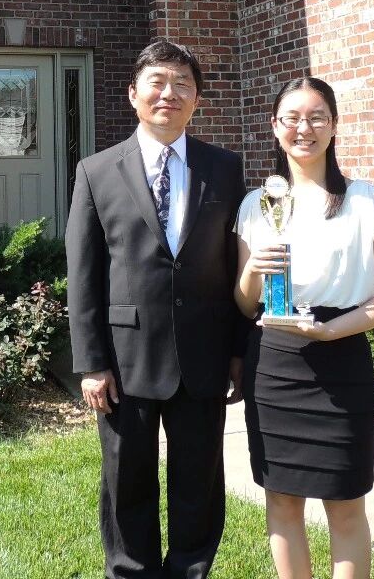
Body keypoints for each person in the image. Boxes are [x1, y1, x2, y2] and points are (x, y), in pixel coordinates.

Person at [67, 40, 248, 579]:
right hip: (125, 359)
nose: (170, 93)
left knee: (200, 482)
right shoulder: (97, 171)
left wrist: (238, 351)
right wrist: (91, 362)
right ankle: (130, 571)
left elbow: (236, 263)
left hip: (203, 356)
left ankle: (190, 571)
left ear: (197, 100)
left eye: (183, 84)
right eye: (158, 82)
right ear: (133, 94)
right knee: (126, 479)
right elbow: (83, 272)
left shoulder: (225, 168)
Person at [234, 76, 374, 579]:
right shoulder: (256, 204)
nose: (303, 128)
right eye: (291, 118)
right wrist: (253, 269)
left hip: (342, 359)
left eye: (316, 117)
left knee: (345, 503)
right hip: (275, 365)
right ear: (275, 126)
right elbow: (244, 304)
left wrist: (331, 332)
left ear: (333, 126)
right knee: (282, 500)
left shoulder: (364, 199)